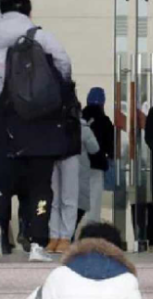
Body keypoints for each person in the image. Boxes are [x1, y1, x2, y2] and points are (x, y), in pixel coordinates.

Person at [0, 0, 72, 262]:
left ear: (2, 12)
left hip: (5, 126)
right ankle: (37, 243)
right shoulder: (43, 37)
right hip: (41, 126)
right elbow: (64, 66)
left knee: (1, 183)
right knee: (40, 187)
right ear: (29, 12)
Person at [47, 92, 83, 256]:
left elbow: (74, 122)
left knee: (69, 197)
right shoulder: (46, 97)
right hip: (51, 151)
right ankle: (54, 235)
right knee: (53, 197)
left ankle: (66, 236)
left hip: (70, 150)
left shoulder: (70, 100)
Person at [82, 88, 114, 225]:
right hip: (96, 166)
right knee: (94, 202)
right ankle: (90, 229)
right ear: (103, 102)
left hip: (77, 166)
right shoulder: (104, 121)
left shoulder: (79, 118)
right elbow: (110, 145)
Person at [76, 116, 100, 233]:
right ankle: (68, 236)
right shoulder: (83, 129)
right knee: (79, 204)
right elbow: (94, 148)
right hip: (80, 170)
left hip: (59, 171)